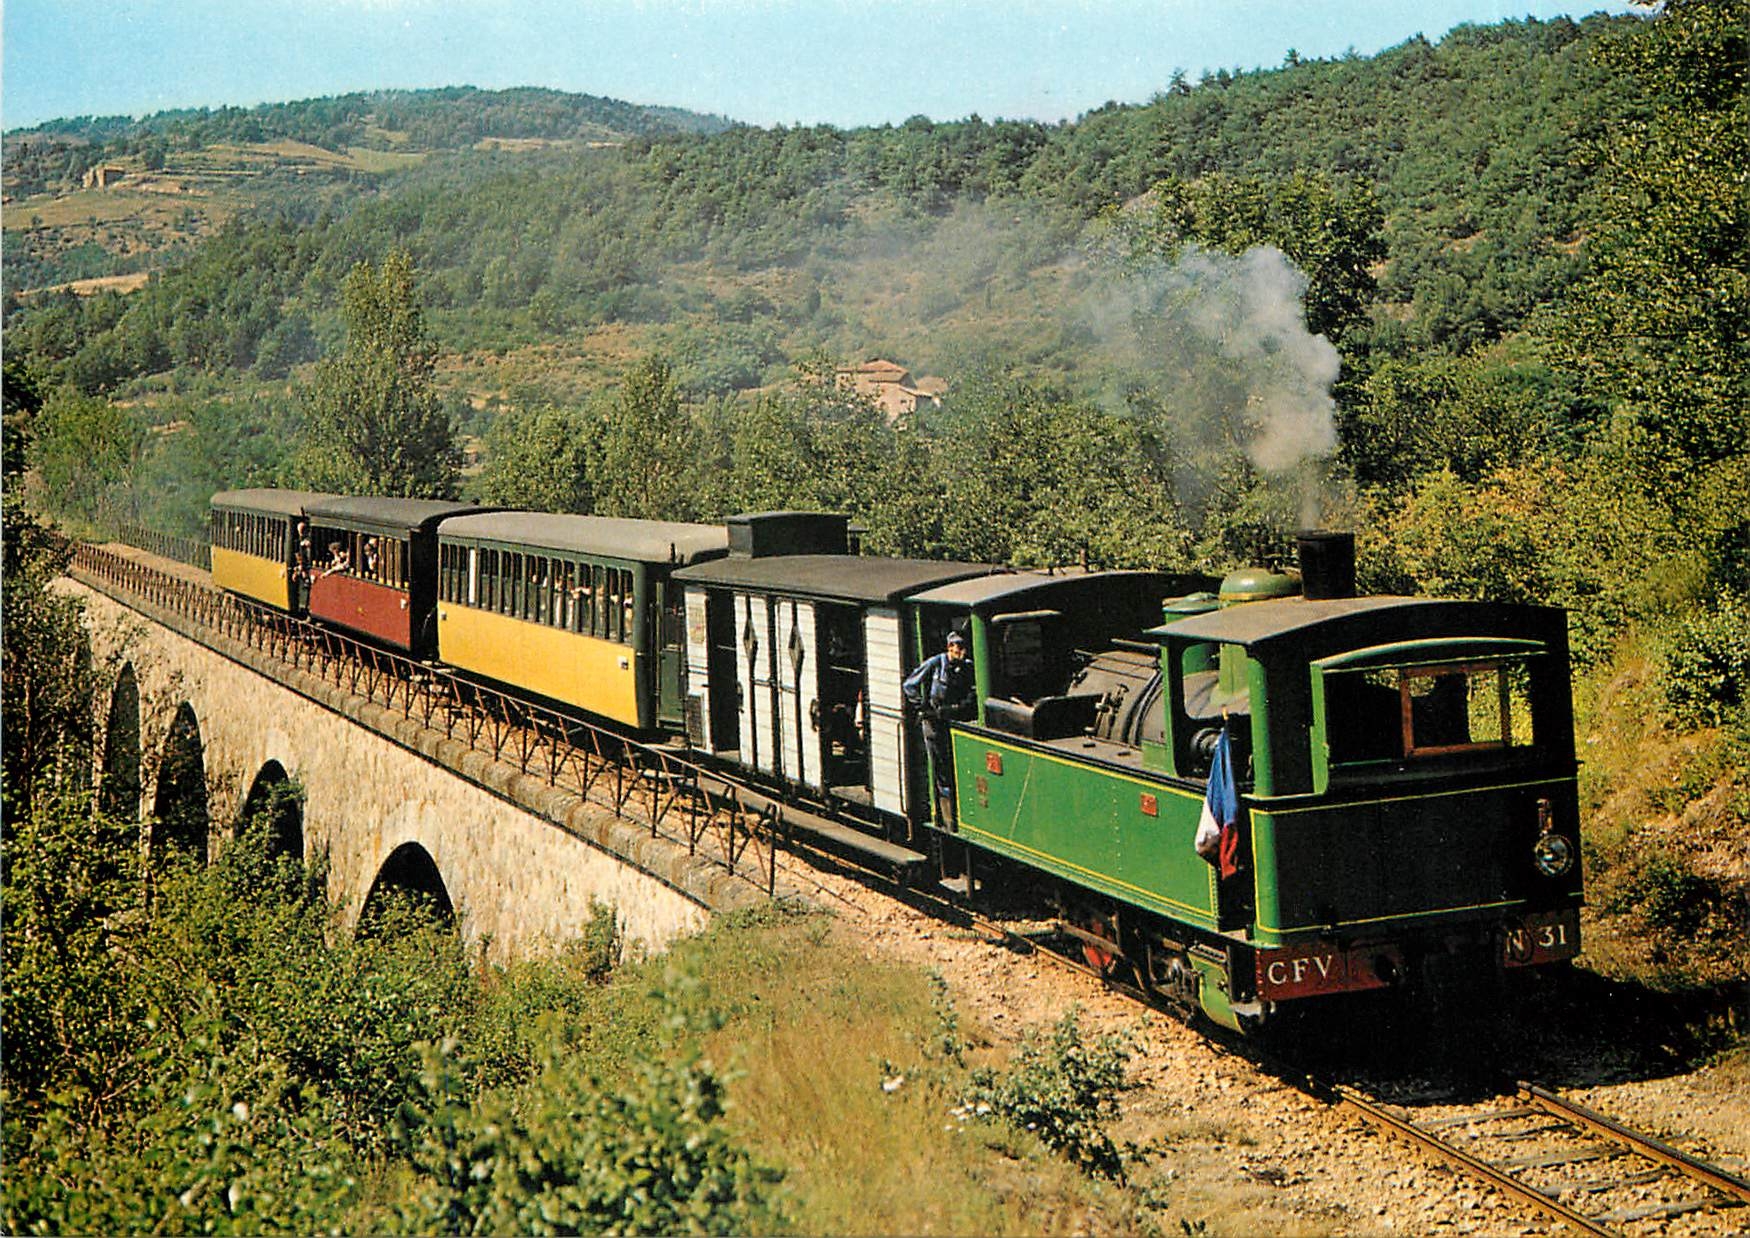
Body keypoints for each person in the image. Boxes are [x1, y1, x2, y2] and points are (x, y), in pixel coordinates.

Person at [903, 629, 976, 828]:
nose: (962, 651)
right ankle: (946, 816)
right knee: (941, 767)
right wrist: (922, 706)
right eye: (958, 647)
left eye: (963, 647)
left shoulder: (967, 668)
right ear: (950, 647)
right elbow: (909, 684)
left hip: (953, 721)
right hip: (934, 723)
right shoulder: (936, 663)